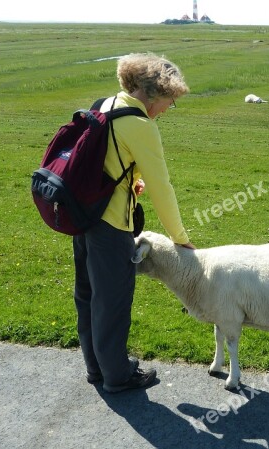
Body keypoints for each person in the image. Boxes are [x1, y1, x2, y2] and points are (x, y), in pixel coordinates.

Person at [73, 53, 196, 393]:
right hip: (111, 226)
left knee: (88, 294)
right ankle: (118, 376)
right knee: (112, 300)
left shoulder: (106, 103)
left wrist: (130, 182)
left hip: (83, 217)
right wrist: (179, 236)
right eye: (170, 102)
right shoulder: (142, 125)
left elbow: (109, 158)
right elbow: (163, 188)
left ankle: (96, 368)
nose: (169, 109)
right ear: (153, 94)